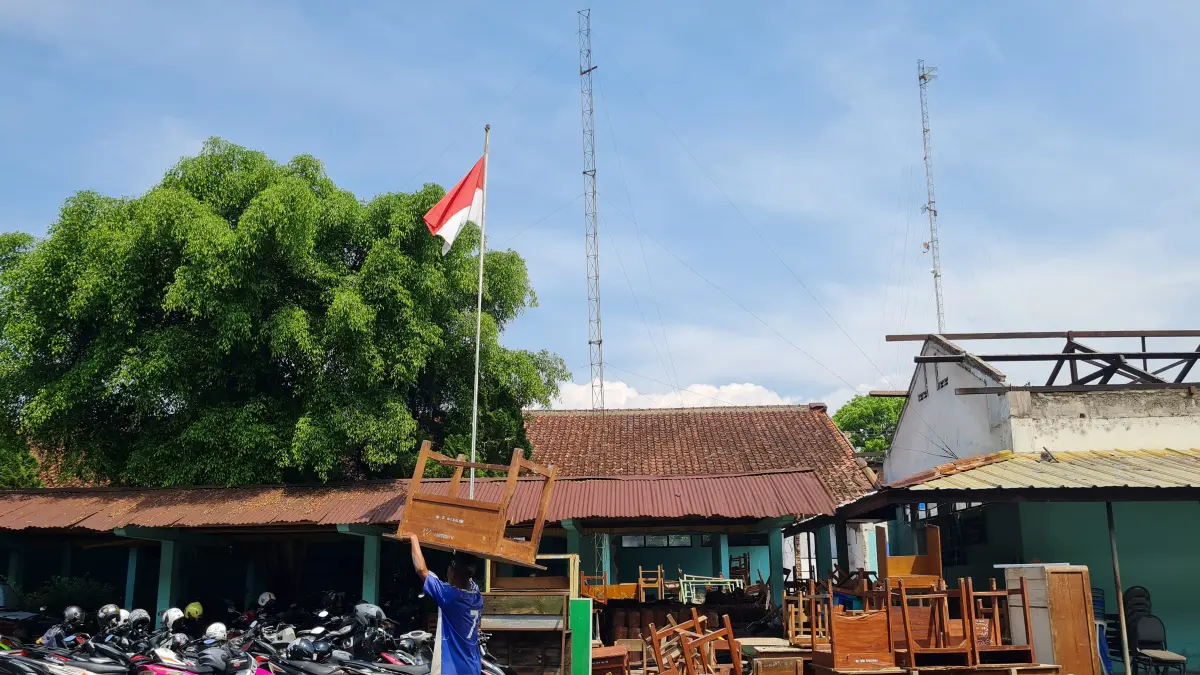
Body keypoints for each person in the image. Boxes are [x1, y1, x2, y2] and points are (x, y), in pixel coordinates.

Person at [402, 534, 483, 675]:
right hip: (472, 666)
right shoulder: (476, 595)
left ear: (453, 571)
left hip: (453, 669)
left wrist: (413, 538)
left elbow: (421, 570)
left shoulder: (450, 597)